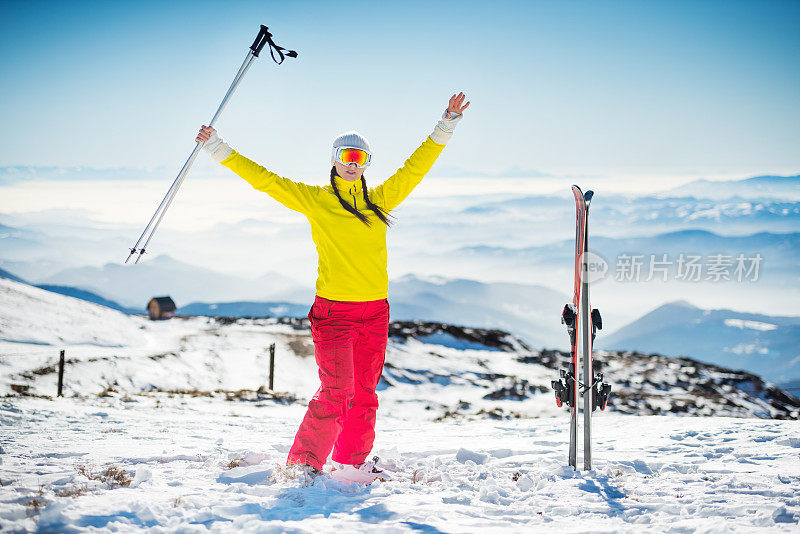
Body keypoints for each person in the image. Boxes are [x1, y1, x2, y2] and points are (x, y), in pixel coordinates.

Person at [196, 92, 470, 483]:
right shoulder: (316, 201)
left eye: (360, 158)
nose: (353, 164)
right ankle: (303, 465)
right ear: (334, 160)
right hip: (334, 314)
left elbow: (415, 167)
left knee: (364, 395)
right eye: (346, 156)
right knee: (337, 392)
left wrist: (447, 122)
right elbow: (266, 180)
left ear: (367, 164)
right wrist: (217, 147)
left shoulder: (381, 200)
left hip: (375, 313)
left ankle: (352, 464)